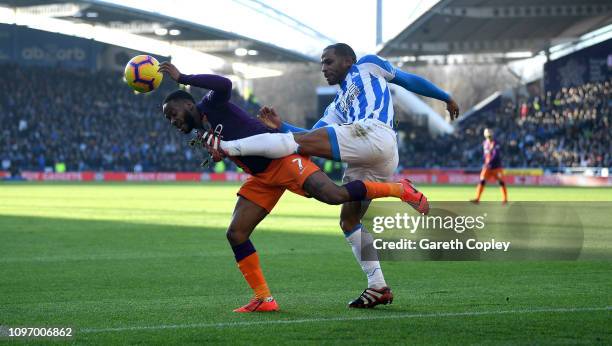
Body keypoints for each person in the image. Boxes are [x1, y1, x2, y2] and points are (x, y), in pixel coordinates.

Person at [158, 61, 427, 312]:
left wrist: (183, 79)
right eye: (168, 119)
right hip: (261, 176)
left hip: (283, 160)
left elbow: (224, 84)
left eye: (173, 113)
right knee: (236, 233)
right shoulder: (201, 131)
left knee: (334, 195)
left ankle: (399, 189)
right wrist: (223, 153)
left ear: (188, 104)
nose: (172, 121)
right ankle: (263, 298)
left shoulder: (211, 104)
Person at [208, 43, 459, 308]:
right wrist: (282, 127)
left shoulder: (368, 65)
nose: (324, 69)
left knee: (294, 144)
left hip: (374, 132)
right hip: (371, 155)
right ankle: (378, 286)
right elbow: (311, 136)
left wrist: (445, 96)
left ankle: (225, 147)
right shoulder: (336, 106)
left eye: (328, 62)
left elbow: (408, 80)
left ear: (348, 60)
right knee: (349, 221)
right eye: (322, 64)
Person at [471, 128, 508, 204]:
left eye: (489, 132)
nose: (488, 134)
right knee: (482, 181)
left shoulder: (495, 143)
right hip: (487, 167)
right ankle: (477, 199)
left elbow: (496, 154)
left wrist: (489, 162)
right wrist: (485, 162)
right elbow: (485, 155)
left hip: (496, 167)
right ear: (485, 134)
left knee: (501, 182)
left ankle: (505, 199)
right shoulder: (485, 143)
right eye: (487, 133)